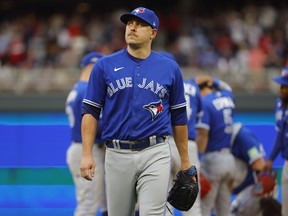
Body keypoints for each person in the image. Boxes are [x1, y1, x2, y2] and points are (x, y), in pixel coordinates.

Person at [80, 7, 196, 216]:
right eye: (130, 23)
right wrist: (87, 154)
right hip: (116, 153)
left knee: (152, 213)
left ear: (153, 32)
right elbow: (90, 111)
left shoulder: (170, 68)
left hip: (155, 151)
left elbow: (179, 117)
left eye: (140, 23)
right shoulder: (104, 66)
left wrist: (185, 162)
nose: (132, 27)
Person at [159, 50, 203, 216]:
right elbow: (199, 120)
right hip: (188, 143)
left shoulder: (159, 82)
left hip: (163, 142)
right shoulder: (193, 87)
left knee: (161, 198)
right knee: (192, 200)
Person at [65, 51, 107, 216]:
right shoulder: (86, 91)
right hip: (88, 151)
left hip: (82, 149)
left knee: (102, 202)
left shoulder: (78, 88)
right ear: (93, 67)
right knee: (88, 206)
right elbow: (97, 126)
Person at [195, 75, 236, 216]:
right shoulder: (227, 96)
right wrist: (213, 80)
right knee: (224, 210)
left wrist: (198, 160)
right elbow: (227, 87)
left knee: (204, 208)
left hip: (212, 161)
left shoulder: (205, 102)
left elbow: (202, 134)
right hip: (229, 160)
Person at [265, 66, 288, 216]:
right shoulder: (281, 105)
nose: (280, 89)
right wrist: (270, 159)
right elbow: (280, 136)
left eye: (285, 86)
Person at [230, 122, 267, 216]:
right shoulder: (218, 138)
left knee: (233, 213)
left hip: (257, 187)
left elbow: (260, 164)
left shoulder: (243, 137)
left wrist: (263, 193)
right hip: (242, 189)